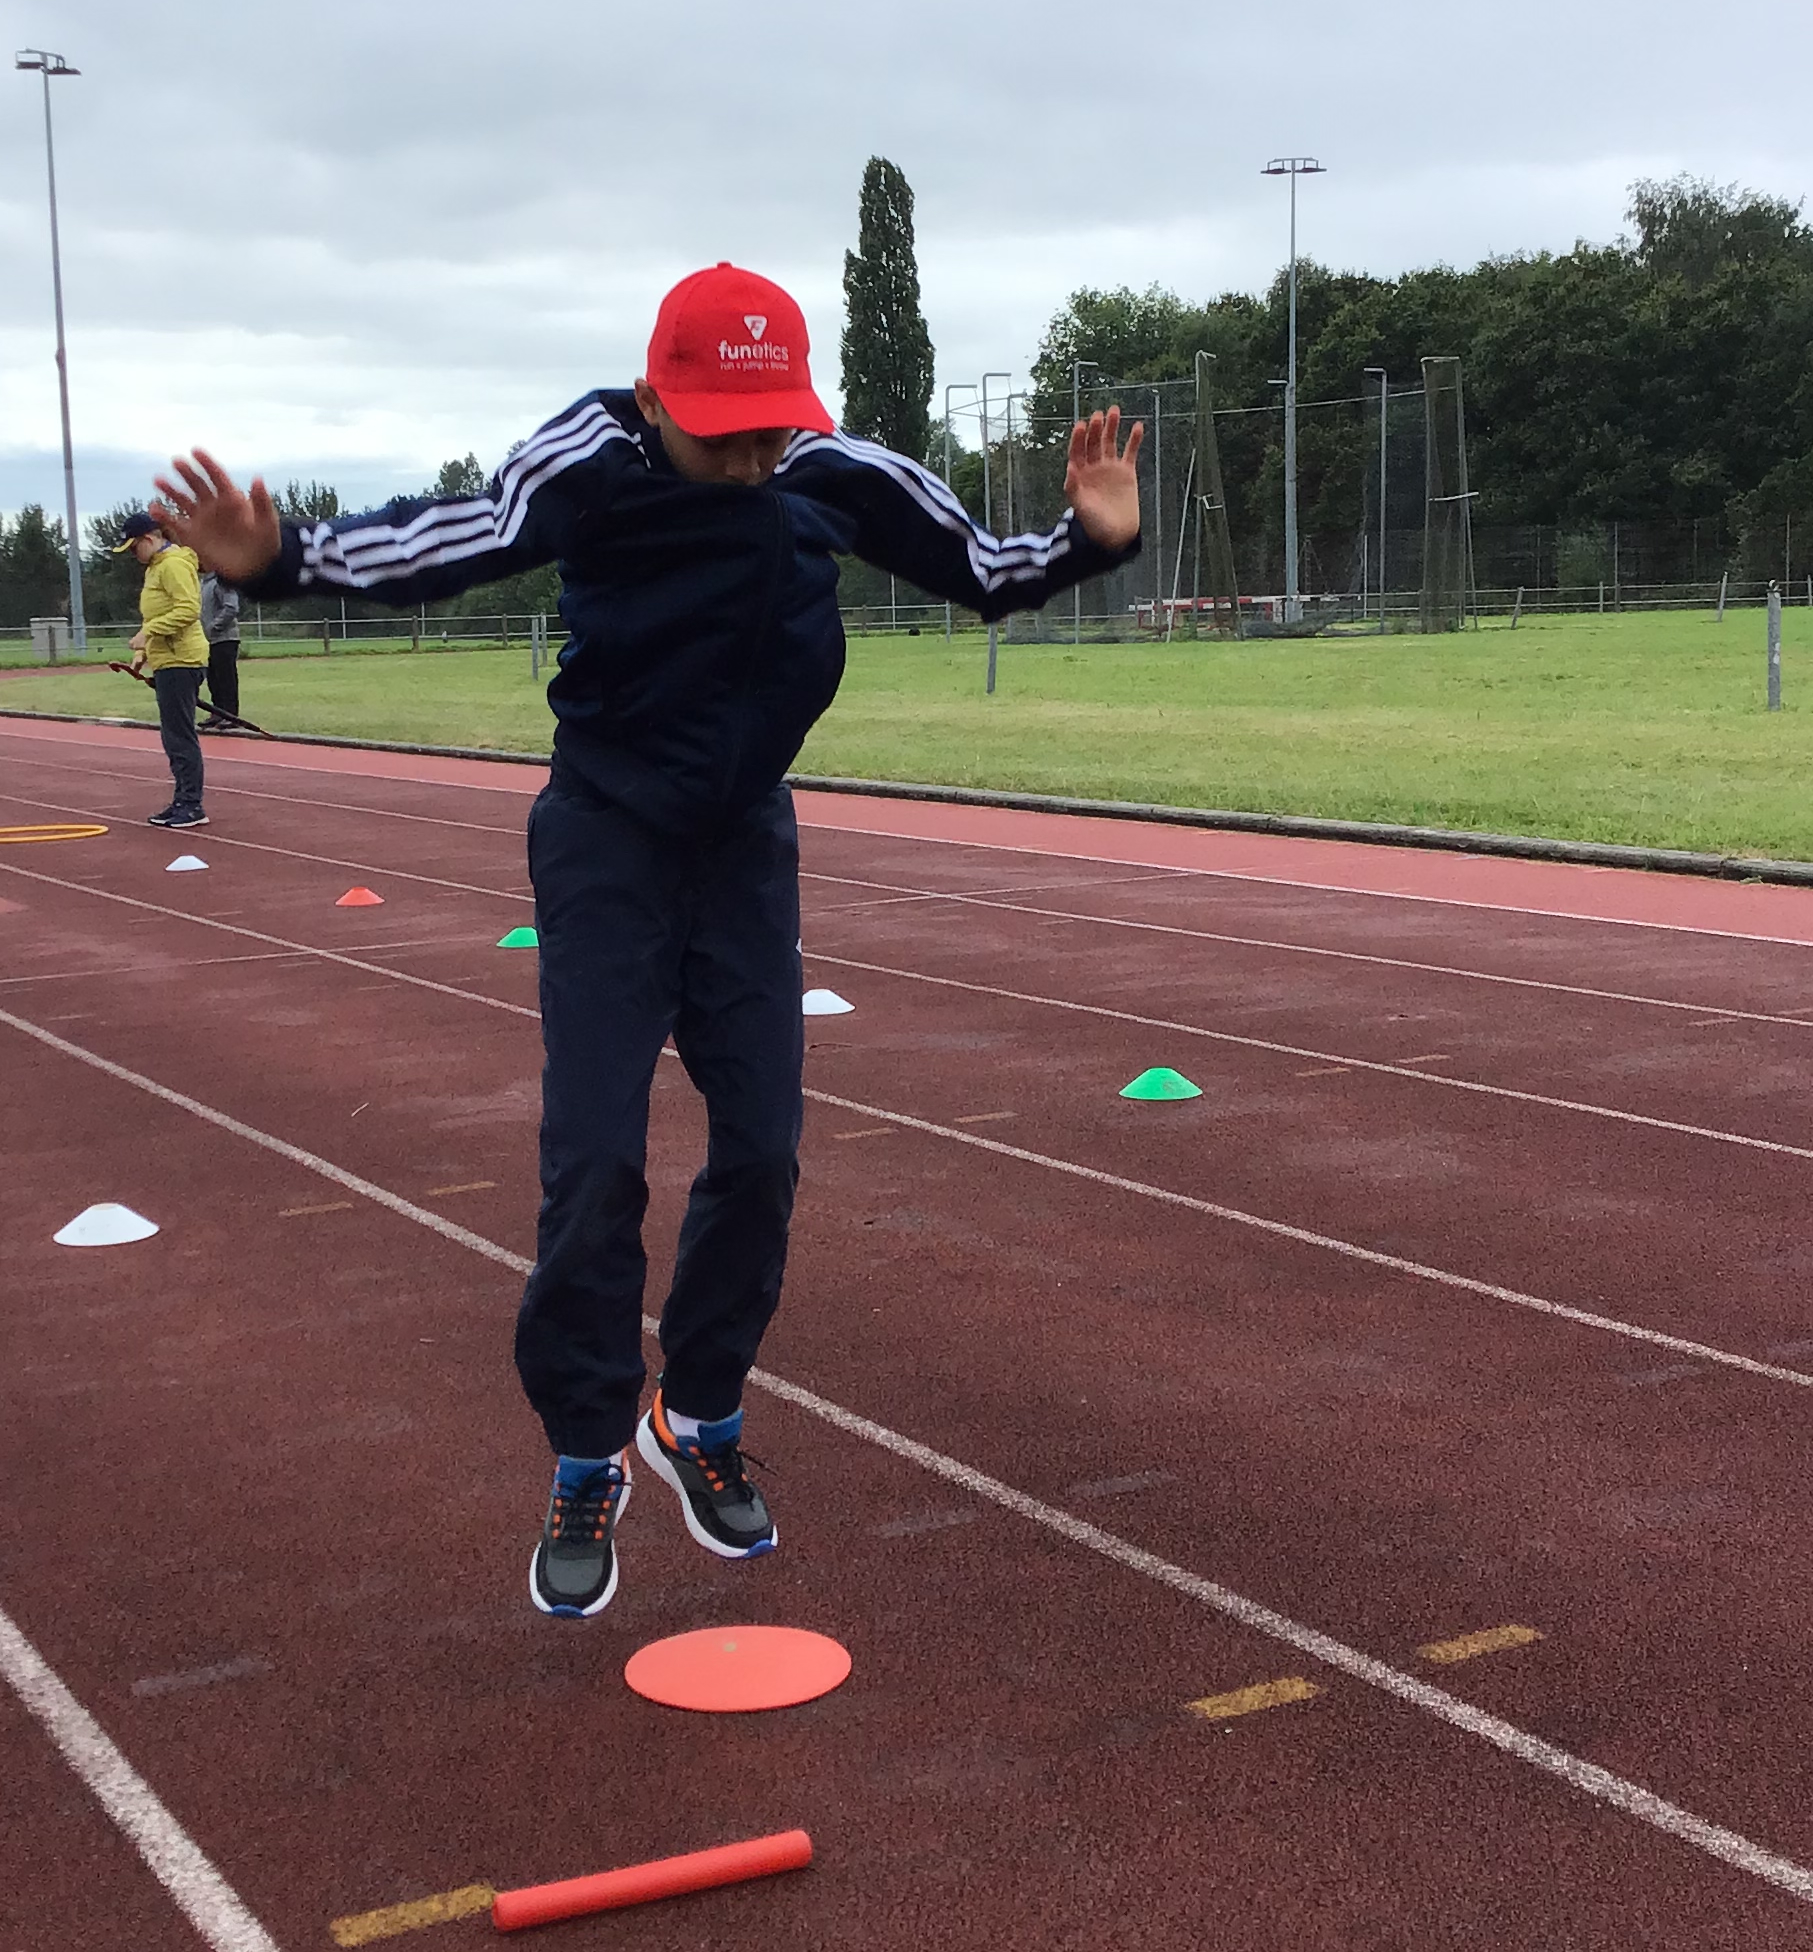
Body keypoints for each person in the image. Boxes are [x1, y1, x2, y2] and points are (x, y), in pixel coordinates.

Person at [149, 262, 1142, 1621]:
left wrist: (1088, 539)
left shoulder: (822, 468)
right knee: (596, 1158)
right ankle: (586, 1451)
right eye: (723, 436)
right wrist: (284, 560)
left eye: (770, 432)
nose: (750, 461)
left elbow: (978, 567)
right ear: (656, 399)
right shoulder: (590, 458)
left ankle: (701, 1413)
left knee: (764, 1148)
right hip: (607, 837)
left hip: (742, 844)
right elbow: (453, 539)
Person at [109, 510, 209, 829]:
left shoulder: (173, 565)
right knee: (172, 735)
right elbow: (156, 613)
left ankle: (191, 804)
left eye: (134, 548)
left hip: (182, 660)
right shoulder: (156, 567)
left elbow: (188, 609)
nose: (133, 555)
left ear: (149, 539)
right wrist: (143, 652)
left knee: (179, 736)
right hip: (167, 659)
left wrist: (148, 632)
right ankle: (182, 799)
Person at [199, 567, 249, 732]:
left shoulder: (222, 581)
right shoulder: (203, 583)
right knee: (213, 678)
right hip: (209, 641)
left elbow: (231, 607)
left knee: (226, 678)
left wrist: (214, 627)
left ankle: (231, 715)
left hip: (225, 639)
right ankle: (218, 712)